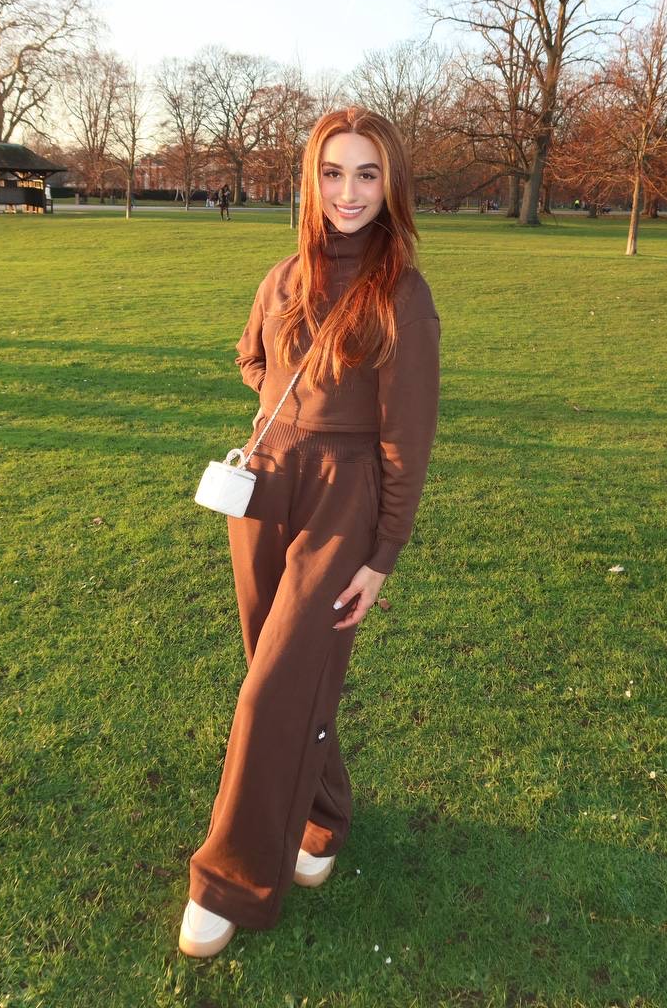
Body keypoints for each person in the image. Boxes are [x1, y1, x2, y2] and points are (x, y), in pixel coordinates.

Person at [179, 106, 441, 957]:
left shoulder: (402, 294)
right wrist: (279, 412)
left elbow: (407, 438)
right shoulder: (283, 275)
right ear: (310, 180)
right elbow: (249, 355)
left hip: (343, 500)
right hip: (264, 489)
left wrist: (383, 553)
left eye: (367, 174)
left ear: (391, 183)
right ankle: (322, 817)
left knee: (271, 692)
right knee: (281, 673)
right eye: (333, 173)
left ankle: (229, 880)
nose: (348, 192)